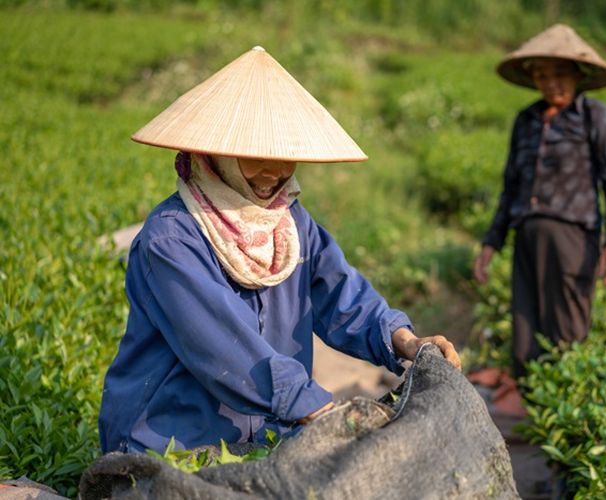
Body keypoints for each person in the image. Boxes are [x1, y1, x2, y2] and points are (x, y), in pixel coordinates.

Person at [99, 46, 460, 454]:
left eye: (284, 156)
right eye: (255, 156)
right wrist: (319, 412)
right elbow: (224, 347)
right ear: (216, 154)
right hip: (171, 443)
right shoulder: (172, 239)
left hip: (266, 436)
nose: (273, 174)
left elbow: (343, 295)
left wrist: (404, 341)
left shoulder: (291, 224)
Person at [473, 25, 606, 393]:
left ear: (578, 74)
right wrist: (491, 242)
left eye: (559, 73)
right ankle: (531, 408)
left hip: (573, 234)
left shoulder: (594, 117)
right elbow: (511, 185)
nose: (551, 83)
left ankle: (569, 407)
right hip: (526, 234)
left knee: (567, 326)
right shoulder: (526, 120)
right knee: (526, 321)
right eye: (542, 75)